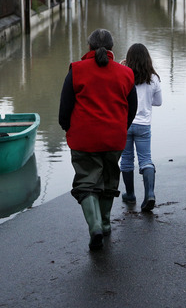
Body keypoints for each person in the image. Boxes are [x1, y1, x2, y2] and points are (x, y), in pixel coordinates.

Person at [58, 29, 137, 251]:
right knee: (109, 181)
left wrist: (68, 128)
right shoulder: (126, 74)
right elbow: (132, 109)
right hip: (114, 138)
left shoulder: (77, 70)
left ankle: (95, 227)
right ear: (112, 48)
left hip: (84, 138)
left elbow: (65, 107)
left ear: (89, 47)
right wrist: (121, 128)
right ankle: (105, 222)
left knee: (86, 183)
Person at [119, 43, 162, 212]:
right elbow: (158, 102)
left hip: (126, 123)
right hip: (144, 125)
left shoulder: (124, 75)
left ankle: (130, 195)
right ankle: (149, 194)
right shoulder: (153, 78)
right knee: (145, 160)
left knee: (127, 160)